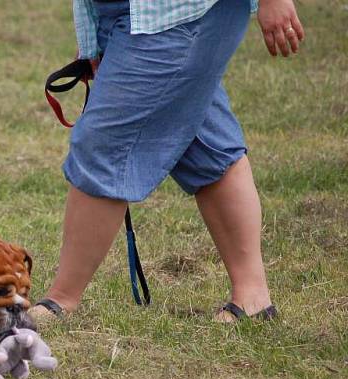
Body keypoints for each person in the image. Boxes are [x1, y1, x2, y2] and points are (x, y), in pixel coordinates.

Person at [28, 0, 304, 324]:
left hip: (177, 12)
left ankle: (61, 300)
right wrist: (94, 36)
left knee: (104, 143)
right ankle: (253, 299)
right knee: (204, 147)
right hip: (136, 15)